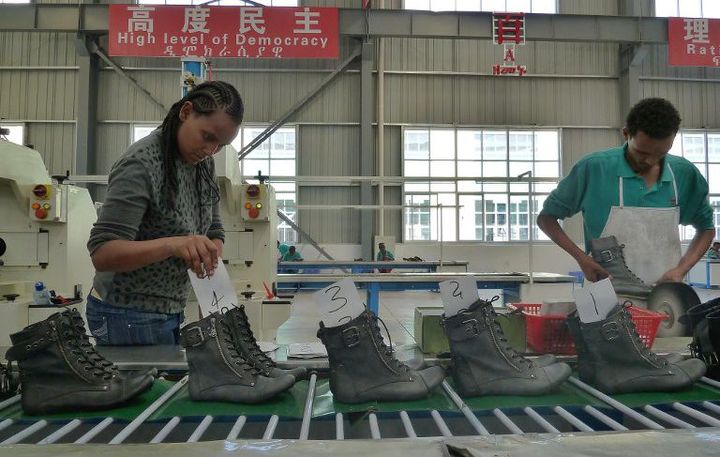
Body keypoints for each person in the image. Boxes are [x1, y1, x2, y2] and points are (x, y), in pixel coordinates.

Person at [86, 81, 244, 345]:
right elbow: (103, 253)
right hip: (126, 313)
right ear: (186, 112)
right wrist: (173, 245)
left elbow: (214, 227)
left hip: (171, 310)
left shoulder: (203, 165)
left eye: (220, 145)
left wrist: (212, 249)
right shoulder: (141, 164)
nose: (210, 151)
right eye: (207, 137)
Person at [537, 97, 715, 285]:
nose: (651, 161)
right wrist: (582, 258)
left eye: (661, 153)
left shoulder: (684, 174)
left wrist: (681, 270)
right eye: (642, 153)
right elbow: (546, 218)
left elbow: (706, 228)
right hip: (606, 292)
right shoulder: (594, 169)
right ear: (626, 133)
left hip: (665, 296)